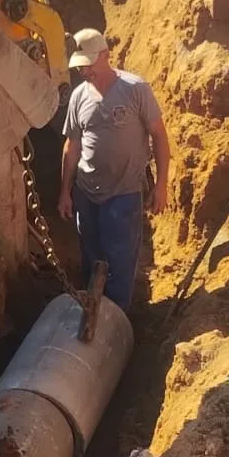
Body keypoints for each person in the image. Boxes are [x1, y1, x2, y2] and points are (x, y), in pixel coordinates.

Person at [57, 28, 170, 312]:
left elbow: (159, 135)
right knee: (91, 256)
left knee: (119, 260)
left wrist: (162, 185)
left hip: (124, 192)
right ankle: (90, 311)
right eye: (81, 65)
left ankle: (117, 319)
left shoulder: (135, 89)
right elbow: (72, 146)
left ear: (106, 55)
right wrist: (65, 192)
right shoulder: (79, 96)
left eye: (89, 63)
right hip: (86, 193)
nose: (85, 70)